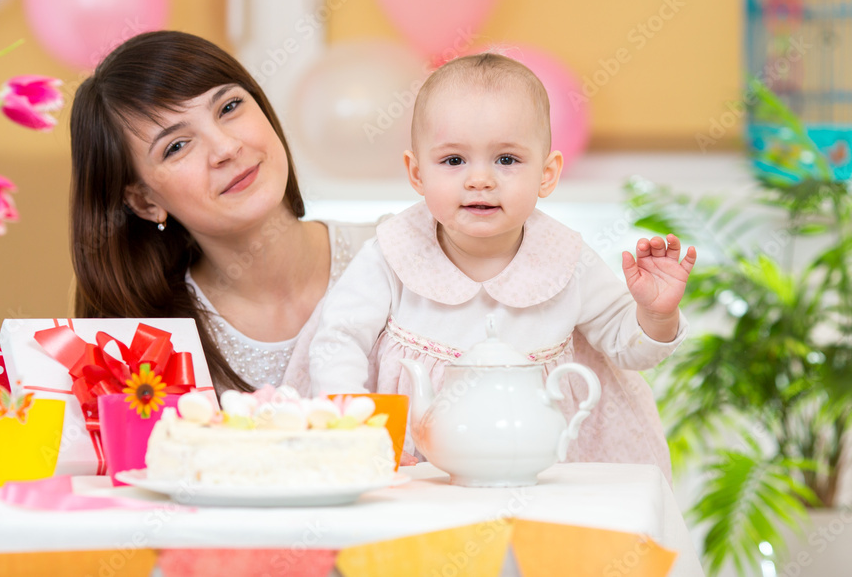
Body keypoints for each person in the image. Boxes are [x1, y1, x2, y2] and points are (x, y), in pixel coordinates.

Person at [308, 53, 697, 480]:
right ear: (416, 173)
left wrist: (655, 314)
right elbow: (339, 338)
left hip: (538, 472)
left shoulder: (565, 258)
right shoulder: (393, 251)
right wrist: (351, 429)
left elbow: (627, 350)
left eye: (506, 160)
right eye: (454, 161)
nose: (480, 179)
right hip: (415, 471)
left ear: (547, 175)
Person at [69, 31, 375, 394]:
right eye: (177, 146)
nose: (226, 148)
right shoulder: (147, 350)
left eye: (228, 107)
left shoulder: (397, 256)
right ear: (145, 203)